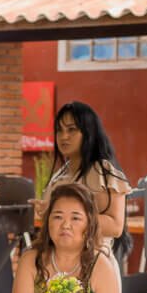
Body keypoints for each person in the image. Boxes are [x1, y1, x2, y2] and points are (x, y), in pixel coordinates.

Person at [34, 101, 132, 262]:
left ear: (88, 133)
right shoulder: (60, 175)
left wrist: (67, 216)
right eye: (59, 130)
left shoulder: (101, 171)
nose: (64, 136)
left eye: (72, 130)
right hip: (59, 262)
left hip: (93, 263)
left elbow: (115, 226)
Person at [11, 182, 121, 293]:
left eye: (75, 218)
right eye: (58, 217)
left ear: (89, 225)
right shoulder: (30, 260)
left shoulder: (101, 266)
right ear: (47, 221)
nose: (65, 225)